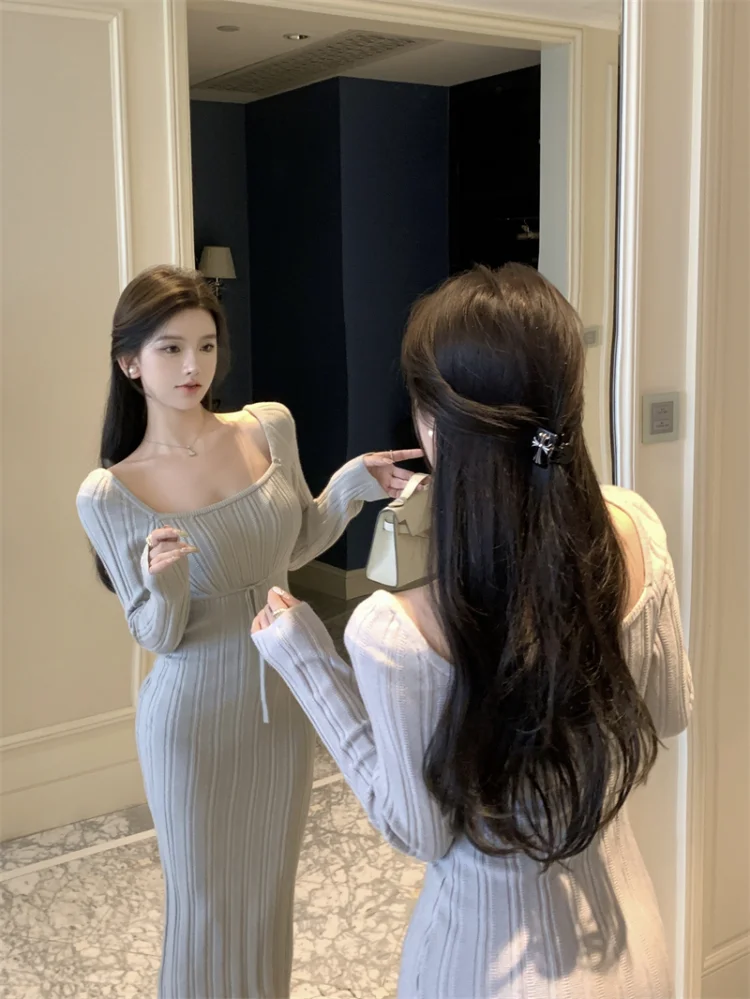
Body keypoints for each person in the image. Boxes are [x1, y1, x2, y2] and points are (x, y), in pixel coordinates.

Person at [252, 264, 694, 999]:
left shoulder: (395, 632)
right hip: (629, 943)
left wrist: (307, 663)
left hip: (484, 963)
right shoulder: (635, 528)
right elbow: (670, 709)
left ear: (431, 423)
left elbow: (420, 831)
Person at [76, 264, 422, 999]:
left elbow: (295, 546)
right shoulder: (109, 493)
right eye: (170, 349)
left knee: (266, 897)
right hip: (191, 719)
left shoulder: (268, 426)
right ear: (130, 362)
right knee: (203, 909)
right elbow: (156, 634)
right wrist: (165, 583)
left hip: (282, 701)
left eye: (205, 345)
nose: (193, 366)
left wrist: (349, 487)